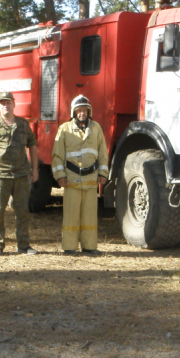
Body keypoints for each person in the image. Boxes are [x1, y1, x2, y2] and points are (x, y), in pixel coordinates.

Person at [0, 91, 40, 257]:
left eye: (8, 102)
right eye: (2, 103)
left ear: (14, 103)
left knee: (22, 211)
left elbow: (33, 145)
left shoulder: (23, 125)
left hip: (20, 175)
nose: (6, 105)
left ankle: (24, 245)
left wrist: (34, 169)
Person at [52, 95, 109, 256]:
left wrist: (103, 173)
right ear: (74, 112)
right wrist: (60, 175)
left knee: (89, 216)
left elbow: (103, 153)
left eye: (84, 110)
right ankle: (69, 247)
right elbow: (57, 155)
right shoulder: (64, 129)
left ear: (88, 111)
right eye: (79, 110)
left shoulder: (96, 128)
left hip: (91, 180)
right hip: (71, 179)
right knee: (71, 215)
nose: (82, 113)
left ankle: (89, 246)